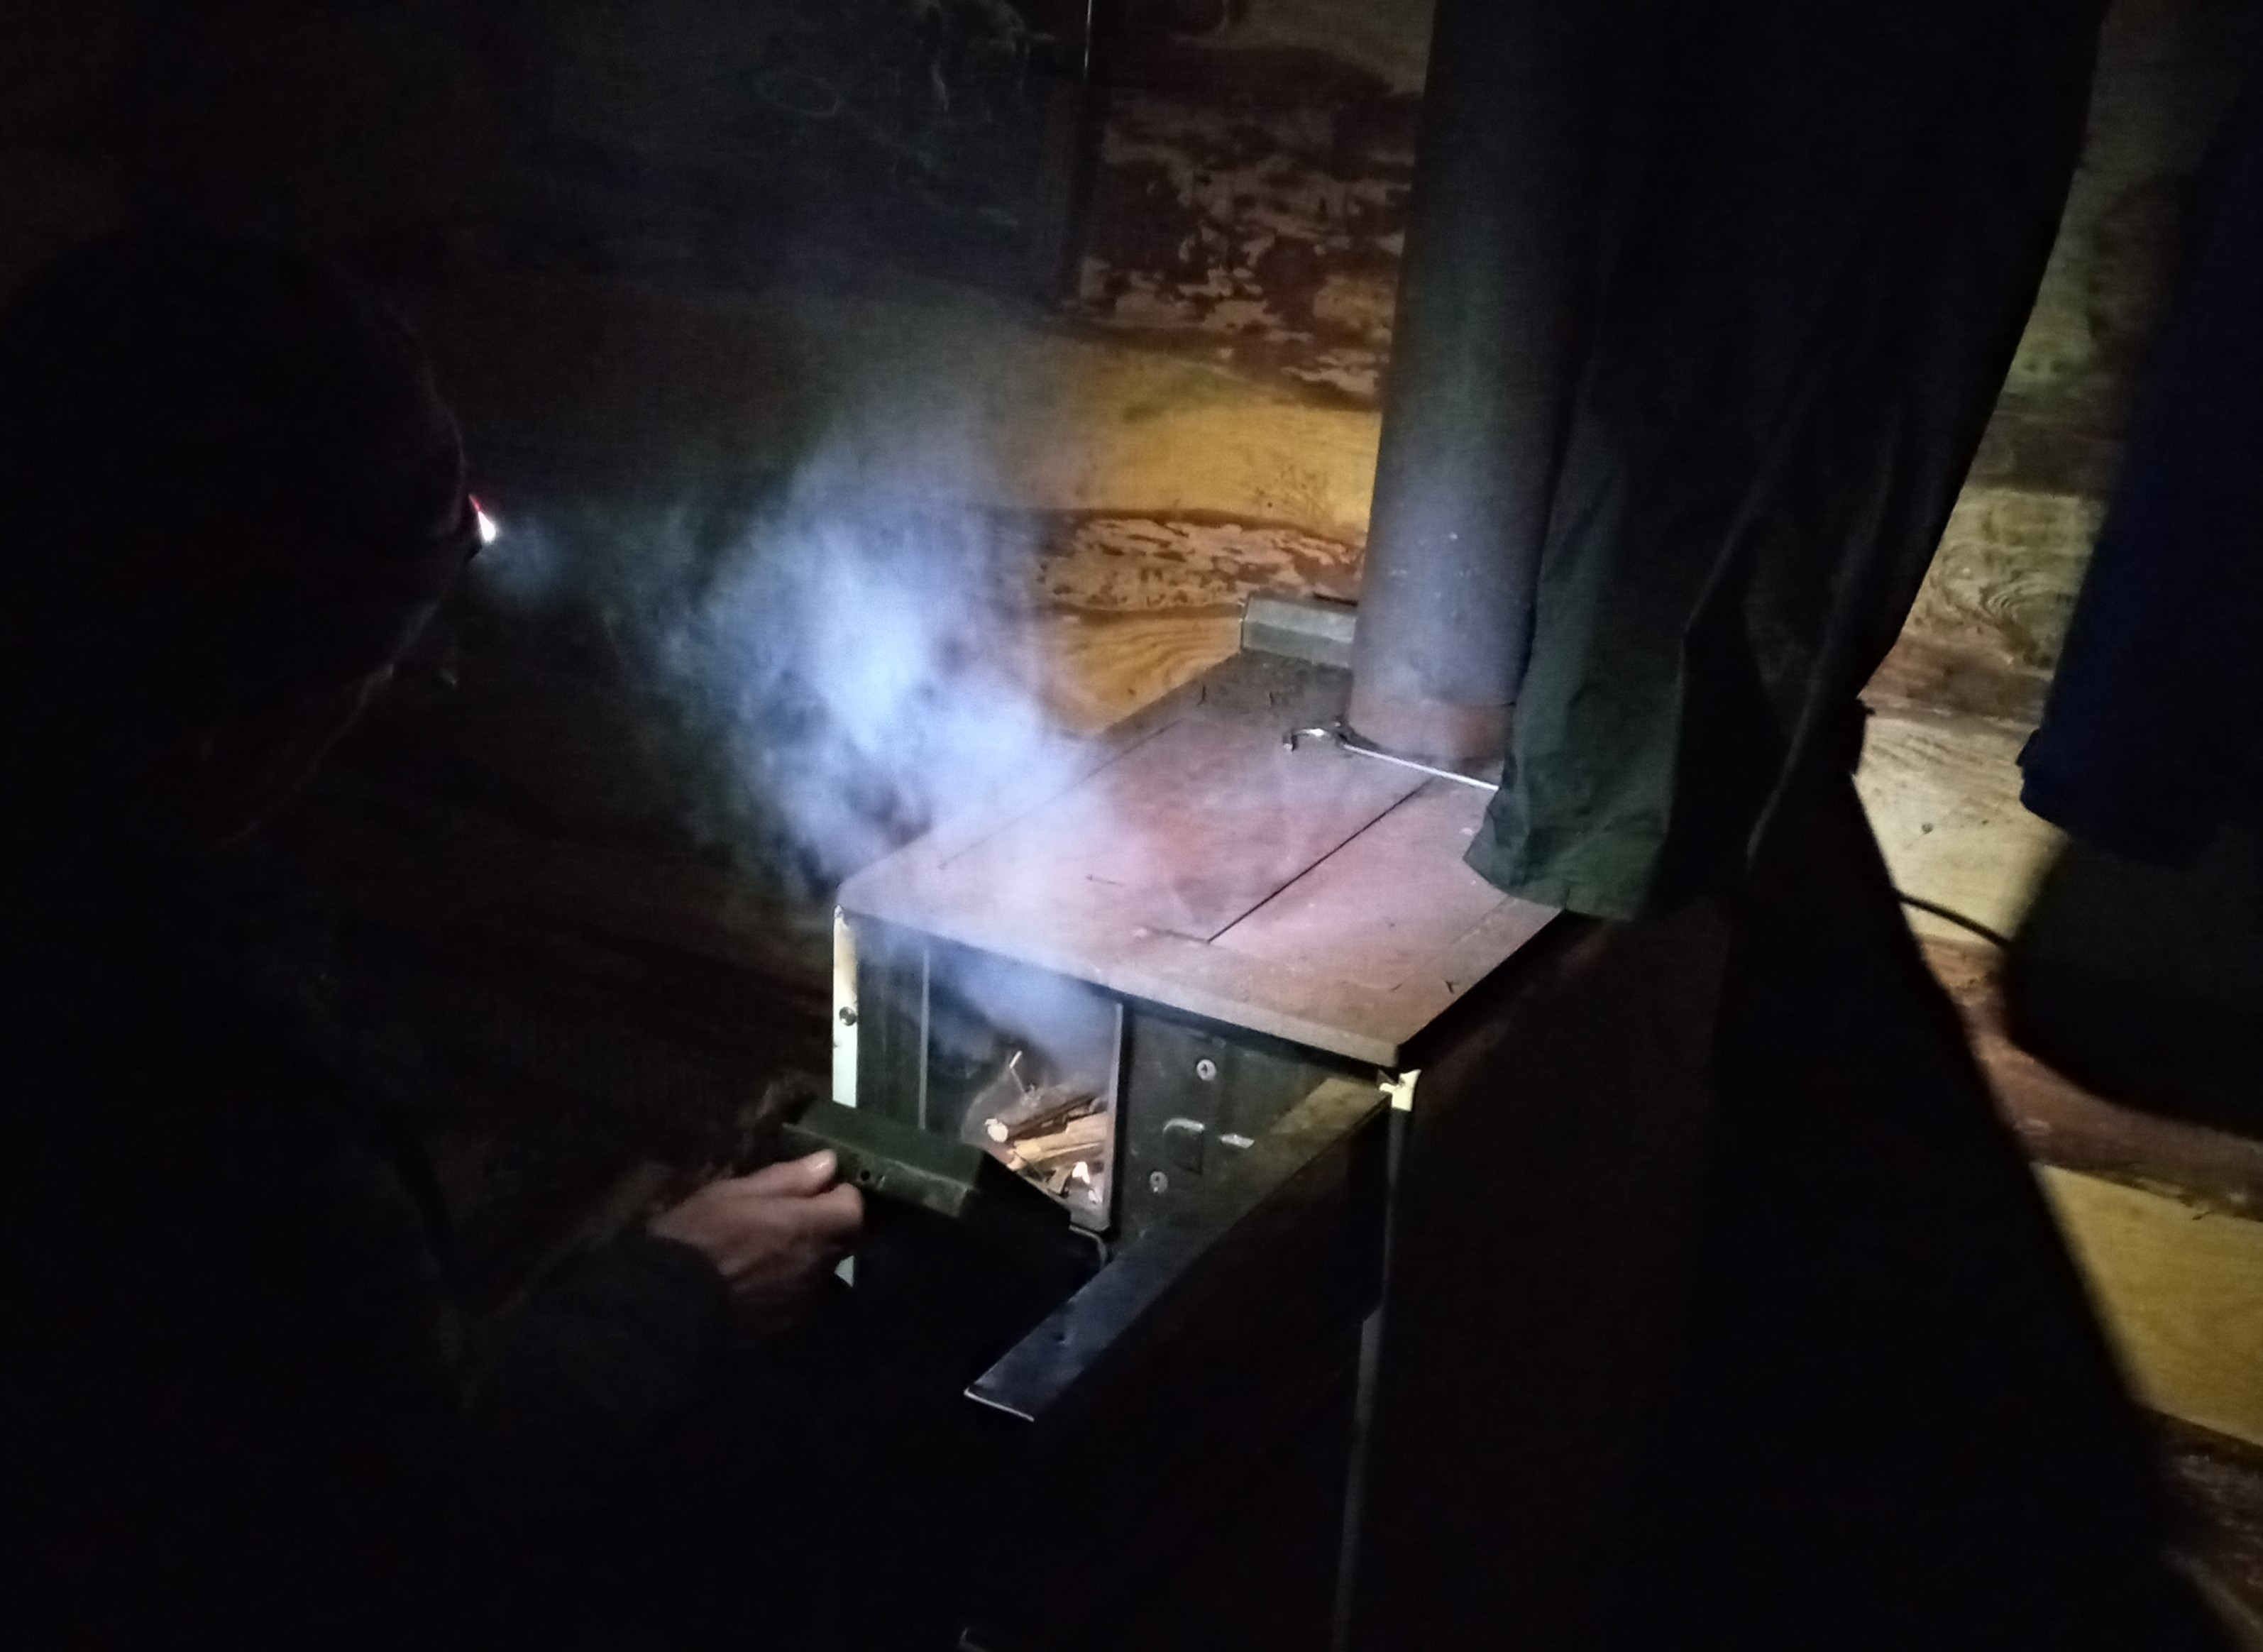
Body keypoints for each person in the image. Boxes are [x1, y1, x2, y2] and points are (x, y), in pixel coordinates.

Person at [0, 228, 862, 1648]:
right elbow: (385, 1525)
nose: (376, 706)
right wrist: (678, 1292)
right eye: (373, 667)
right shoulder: (204, 1084)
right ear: (235, 711)